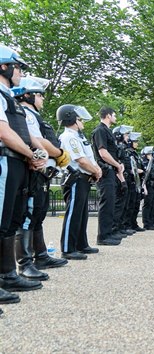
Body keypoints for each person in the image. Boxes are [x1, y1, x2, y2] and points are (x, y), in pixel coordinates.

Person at [0, 45, 48, 301]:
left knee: (11, 219)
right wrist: (32, 155)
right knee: (1, 219)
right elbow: (3, 132)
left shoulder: (8, 97)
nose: (19, 72)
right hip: (6, 160)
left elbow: (22, 134)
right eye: (17, 66)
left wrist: (32, 156)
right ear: (4, 66)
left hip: (18, 162)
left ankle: (7, 274)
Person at [12, 76, 70, 279]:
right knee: (28, 215)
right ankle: (25, 263)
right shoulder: (26, 114)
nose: (43, 99)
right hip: (35, 171)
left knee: (38, 214)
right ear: (27, 95)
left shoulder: (33, 115)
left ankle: (41, 255)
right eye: (40, 95)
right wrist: (58, 152)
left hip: (44, 173)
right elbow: (38, 141)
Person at [58, 105, 103, 259]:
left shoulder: (78, 136)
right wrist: (96, 171)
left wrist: (96, 169)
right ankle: (68, 249)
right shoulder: (69, 137)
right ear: (71, 119)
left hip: (84, 178)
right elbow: (81, 161)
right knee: (73, 214)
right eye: (79, 119)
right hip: (76, 178)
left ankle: (81, 244)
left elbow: (89, 157)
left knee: (82, 214)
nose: (82, 121)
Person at [91, 106, 125, 245]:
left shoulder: (107, 131)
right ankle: (103, 237)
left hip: (111, 171)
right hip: (105, 171)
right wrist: (117, 165)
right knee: (106, 203)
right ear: (108, 116)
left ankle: (109, 233)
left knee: (111, 203)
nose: (115, 118)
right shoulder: (100, 131)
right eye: (114, 115)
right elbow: (103, 153)